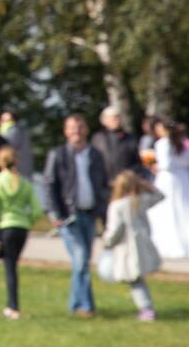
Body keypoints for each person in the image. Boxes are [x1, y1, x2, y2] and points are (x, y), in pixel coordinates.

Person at [43, 113, 109, 318]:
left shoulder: (95, 155)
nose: (76, 131)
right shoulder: (58, 154)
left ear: (86, 130)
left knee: (82, 261)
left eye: (79, 127)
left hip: (90, 214)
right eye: (72, 128)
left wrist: (103, 210)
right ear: (66, 131)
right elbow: (49, 184)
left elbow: (103, 184)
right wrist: (54, 213)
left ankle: (77, 304)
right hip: (68, 217)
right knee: (81, 260)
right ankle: (85, 306)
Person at [0, 145, 43, 319]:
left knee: (9, 268)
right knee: (13, 264)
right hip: (21, 228)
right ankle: (12, 305)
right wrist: (27, 222)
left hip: (5, 228)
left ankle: (13, 306)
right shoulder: (24, 183)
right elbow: (37, 210)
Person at [103, 171, 164, 321]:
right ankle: (146, 307)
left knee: (134, 279)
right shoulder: (140, 200)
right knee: (136, 277)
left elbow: (115, 229)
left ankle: (146, 309)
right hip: (143, 243)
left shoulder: (117, 205)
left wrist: (107, 242)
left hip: (127, 247)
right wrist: (147, 186)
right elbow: (160, 196)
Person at [147, 117, 189, 258]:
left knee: (166, 210)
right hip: (182, 178)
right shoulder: (182, 143)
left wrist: (153, 163)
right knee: (182, 208)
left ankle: (168, 244)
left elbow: (165, 164)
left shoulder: (163, 143)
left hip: (167, 179)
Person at [91, 105, 143, 182]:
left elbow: (137, 161)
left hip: (128, 182)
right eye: (113, 118)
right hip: (107, 183)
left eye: (118, 117)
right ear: (104, 121)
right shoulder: (98, 138)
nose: (117, 120)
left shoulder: (130, 138)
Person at [0, 110, 34, 179]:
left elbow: (8, 151)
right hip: (23, 172)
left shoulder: (11, 130)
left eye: (3, 119)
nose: (0, 121)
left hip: (15, 173)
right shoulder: (20, 130)